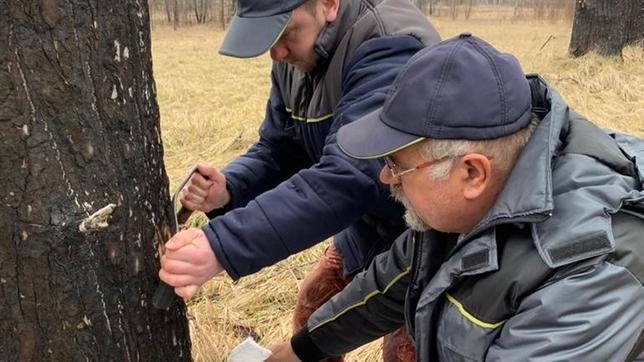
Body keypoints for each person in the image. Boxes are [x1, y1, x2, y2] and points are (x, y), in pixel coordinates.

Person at [267, 33, 644, 361]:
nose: (385, 177)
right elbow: (391, 283)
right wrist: (303, 349)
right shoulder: (468, 204)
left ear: (472, 173)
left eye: (397, 165)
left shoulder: (585, 273)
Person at [158, 0, 441, 360]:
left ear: (328, 4)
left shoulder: (389, 48)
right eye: (267, 39)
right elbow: (280, 147)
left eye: (286, 33)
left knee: (405, 349)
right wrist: (230, 188)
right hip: (370, 227)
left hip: (428, 235)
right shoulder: (293, 60)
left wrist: (221, 244)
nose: (276, 53)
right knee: (314, 305)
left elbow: (351, 176)